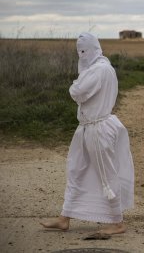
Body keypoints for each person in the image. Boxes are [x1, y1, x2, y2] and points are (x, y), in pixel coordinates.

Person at [40, 32, 135, 235]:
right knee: (76, 170)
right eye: (79, 52)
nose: (81, 55)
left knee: (106, 174)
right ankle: (64, 217)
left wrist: (75, 83)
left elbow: (77, 92)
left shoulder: (99, 70)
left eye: (84, 51)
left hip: (98, 129)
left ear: (94, 49)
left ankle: (117, 222)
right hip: (88, 127)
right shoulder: (99, 68)